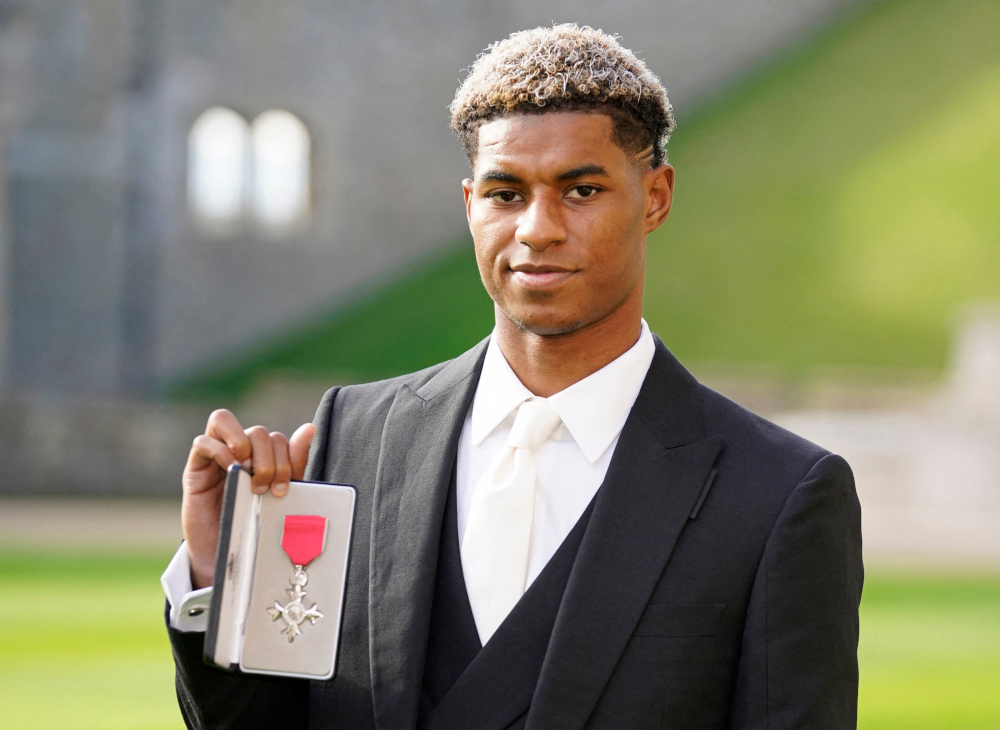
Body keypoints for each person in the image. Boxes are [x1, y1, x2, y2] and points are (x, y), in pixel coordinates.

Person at [163, 24, 863, 730]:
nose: (537, 228)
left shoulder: (776, 494)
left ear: (655, 197)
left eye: (581, 190)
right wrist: (219, 577)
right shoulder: (354, 440)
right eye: (506, 193)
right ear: (471, 203)